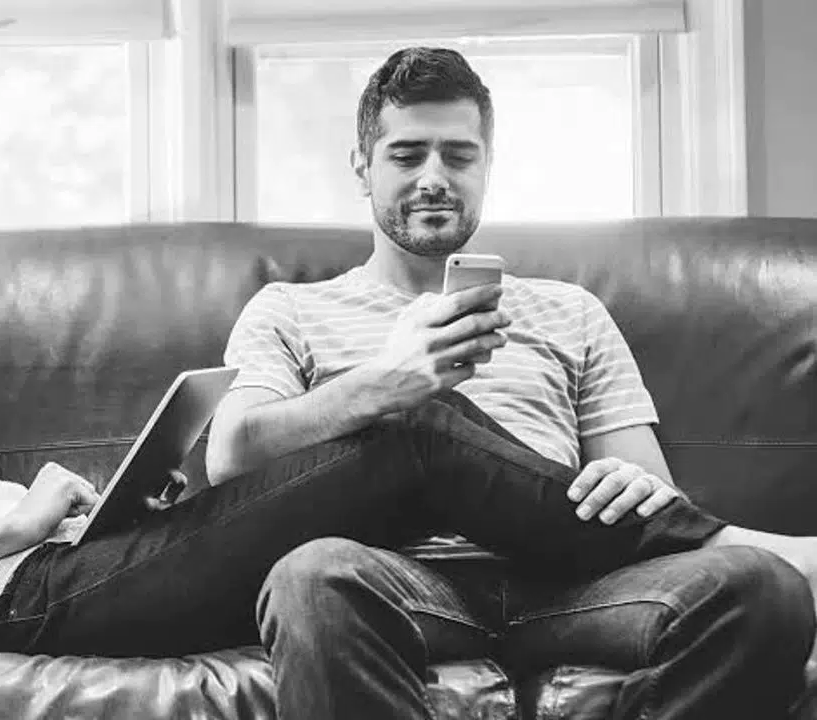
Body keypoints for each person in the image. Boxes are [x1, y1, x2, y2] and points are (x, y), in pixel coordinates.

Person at [0, 126, 812, 720]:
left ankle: (721, 557)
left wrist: (108, 508)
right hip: (17, 601)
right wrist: (12, 524)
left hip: (59, 563)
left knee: (401, 433)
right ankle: (737, 545)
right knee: (411, 426)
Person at [206, 46, 817, 719]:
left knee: (763, 585)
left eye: (458, 156)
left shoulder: (570, 310)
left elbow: (648, 493)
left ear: (487, 166)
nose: (434, 178)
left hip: (573, 584)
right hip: (398, 581)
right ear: (362, 167)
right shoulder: (291, 309)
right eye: (407, 155)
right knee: (310, 577)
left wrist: (633, 483)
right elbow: (232, 452)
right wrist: (381, 384)